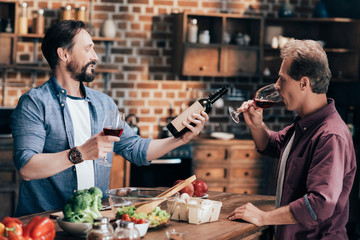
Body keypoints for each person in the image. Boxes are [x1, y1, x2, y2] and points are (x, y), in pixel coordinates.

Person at [11, 20, 209, 217]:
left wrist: (180, 139)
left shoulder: (103, 104)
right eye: (88, 49)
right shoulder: (35, 102)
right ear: (63, 54)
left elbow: (135, 149)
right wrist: (80, 153)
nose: (95, 57)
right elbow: (27, 167)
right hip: (46, 223)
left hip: (93, 219)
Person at [228, 40, 356, 239]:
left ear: (304, 83)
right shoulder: (305, 125)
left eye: (282, 79)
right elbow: (273, 145)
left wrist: (263, 217)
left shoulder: (331, 135)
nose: (277, 86)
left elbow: (320, 204)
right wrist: (256, 125)